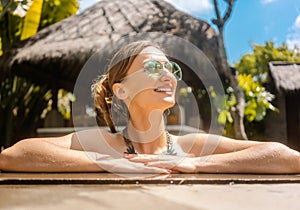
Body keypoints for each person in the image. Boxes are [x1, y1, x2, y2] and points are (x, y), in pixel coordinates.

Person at [0, 40, 299, 174]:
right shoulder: (102, 145)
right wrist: (108, 163)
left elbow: (286, 157)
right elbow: (13, 156)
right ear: (122, 90)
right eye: (154, 67)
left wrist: (200, 165)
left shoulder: (190, 146)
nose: (169, 75)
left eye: (171, 69)